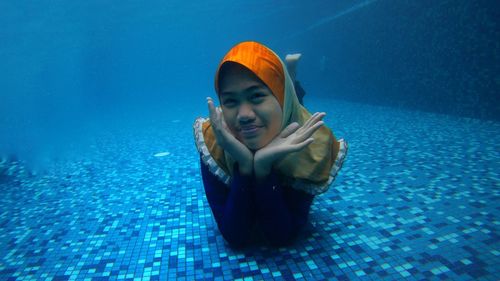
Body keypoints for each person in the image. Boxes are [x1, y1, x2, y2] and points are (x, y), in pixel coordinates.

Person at [193, 41, 347, 248]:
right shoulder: (216, 141)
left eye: (256, 96)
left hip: (289, 114)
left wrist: (264, 170)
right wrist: (247, 166)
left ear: (281, 99)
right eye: (230, 101)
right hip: (280, 109)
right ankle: (283, 82)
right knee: (283, 111)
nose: (244, 115)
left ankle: (290, 77)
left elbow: (281, 236)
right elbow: (235, 235)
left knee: (294, 110)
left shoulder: (310, 146)